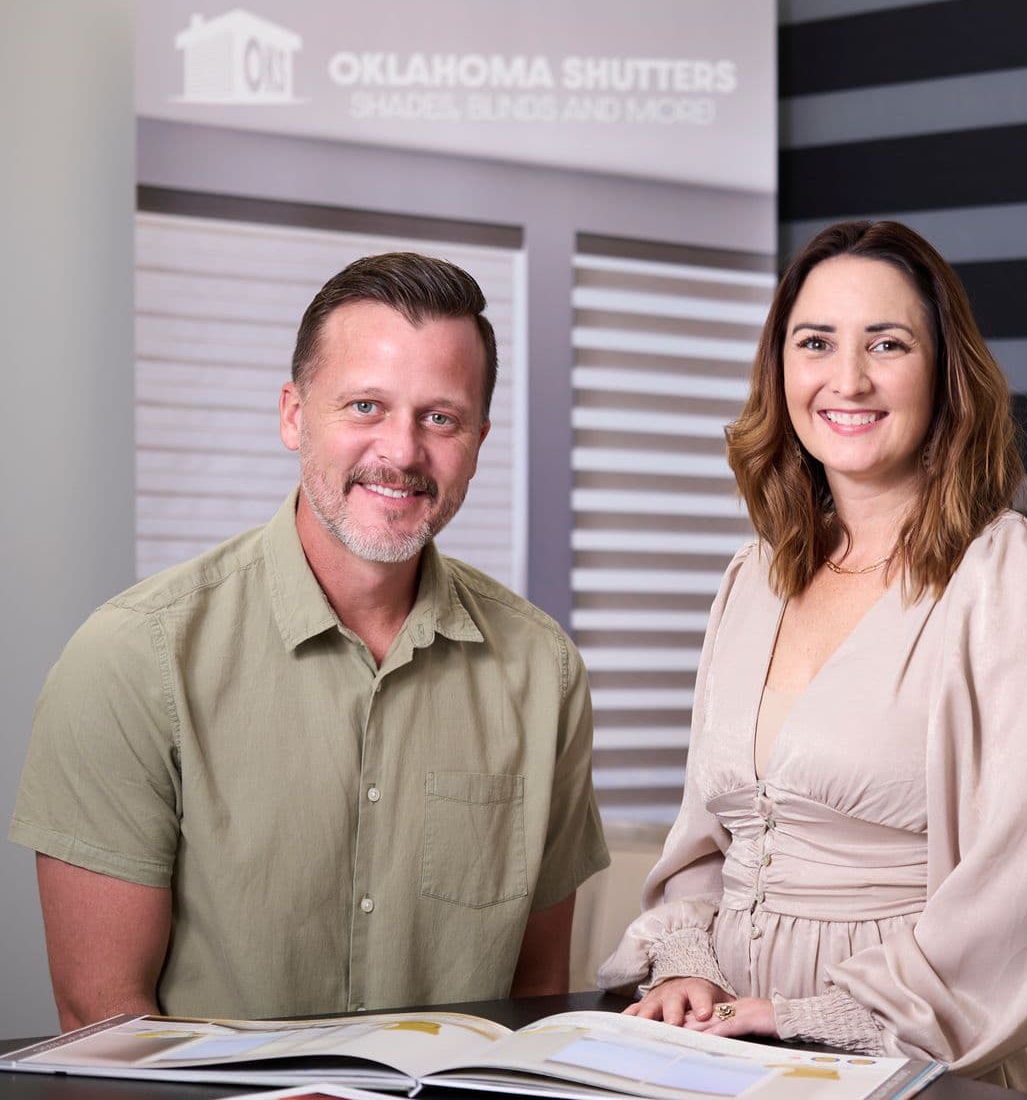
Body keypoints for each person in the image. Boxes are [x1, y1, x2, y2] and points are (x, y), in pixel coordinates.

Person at [11, 251, 609, 1029]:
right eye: (365, 406)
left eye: (440, 417)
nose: (401, 452)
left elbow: (534, 1000)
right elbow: (103, 1016)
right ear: (294, 413)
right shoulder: (131, 658)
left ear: (479, 439)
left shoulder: (544, 671)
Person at [597, 220, 1027, 1100]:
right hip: (740, 1047)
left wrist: (813, 1013)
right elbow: (707, 841)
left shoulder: (1017, 574)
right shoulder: (753, 576)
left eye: (887, 343)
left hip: (928, 1055)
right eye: (816, 343)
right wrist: (690, 969)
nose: (848, 379)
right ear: (781, 370)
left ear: (945, 373)